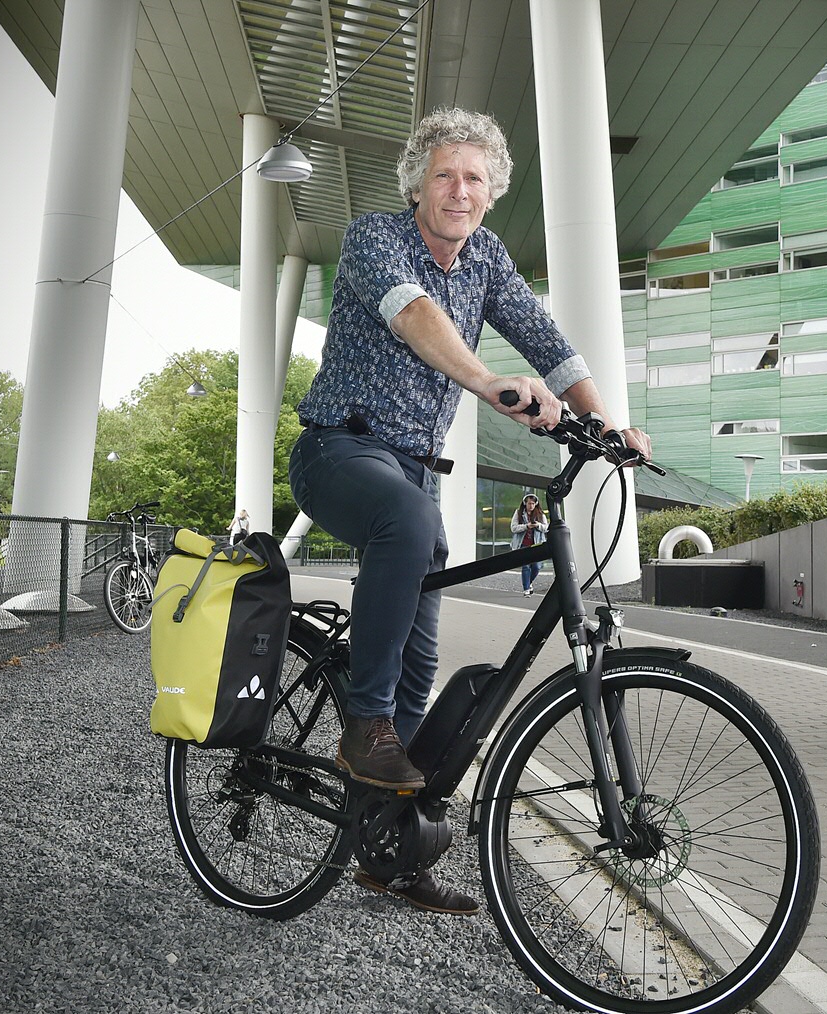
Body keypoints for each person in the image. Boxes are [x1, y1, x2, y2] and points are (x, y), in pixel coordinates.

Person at [288, 107, 651, 915]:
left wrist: (606, 423)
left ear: (492, 194)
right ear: (419, 181)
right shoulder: (373, 238)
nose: (459, 189)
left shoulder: (486, 256)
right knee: (411, 530)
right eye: (445, 174)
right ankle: (363, 724)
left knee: (424, 664)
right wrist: (487, 383)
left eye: (475, 178)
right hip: (339, 451)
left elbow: (549, 341)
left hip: (414, 472)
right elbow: (417, 317)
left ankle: (387, 848)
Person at [509, 493, 548, 595]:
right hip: (523, 544)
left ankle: (529, 582)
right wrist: (526, 526)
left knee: (537, 566)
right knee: (525, 566)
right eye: (529, 503)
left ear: (536, 504)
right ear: (525, 503)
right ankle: (526, 589)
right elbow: (513, 528)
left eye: (533, 503)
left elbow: (546, 528)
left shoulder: (541, 514)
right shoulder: (518, 513)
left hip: (537, 545)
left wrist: (537, 525)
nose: (531, 506)